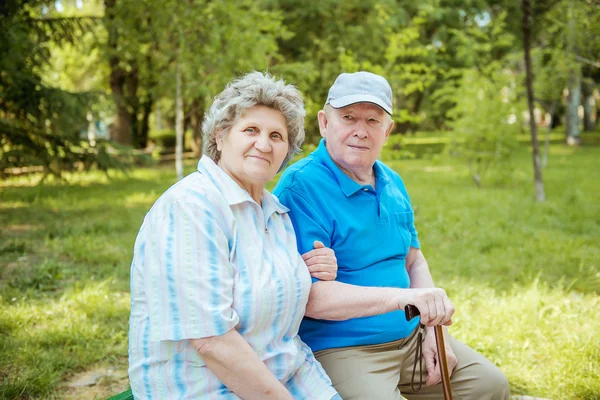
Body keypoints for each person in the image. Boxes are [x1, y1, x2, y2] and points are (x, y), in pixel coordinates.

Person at [274, 71, 510, 400]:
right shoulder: (302, 186)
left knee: (490, 385)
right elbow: (310, 298)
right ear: (324, 123)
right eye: (348, 118)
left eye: (373, 120)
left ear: (388, 130)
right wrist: (404, 300)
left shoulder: (392, 182)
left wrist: (431, 328)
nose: (360, 130)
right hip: (343, 349)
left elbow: (414, 260)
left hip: (411, 339)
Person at [128, 72, 341, 400]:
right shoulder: (191, 207)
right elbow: (210, 342)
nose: (264, 144)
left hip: (286, 372)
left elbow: (254, 281)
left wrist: (304, 269)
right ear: (221, 135)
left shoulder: (274, 212)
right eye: (250, 130)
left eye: (276, 136)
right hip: (204, 385)